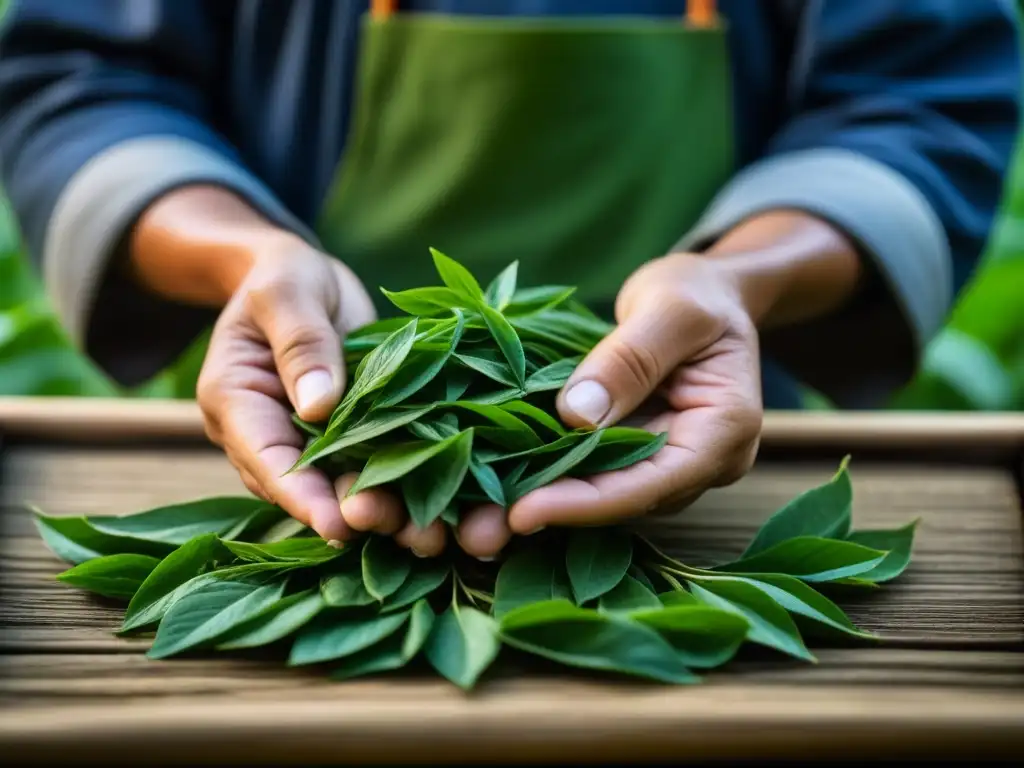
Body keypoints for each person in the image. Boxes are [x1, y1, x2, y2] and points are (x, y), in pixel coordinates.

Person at [0, 0, 1019, 560]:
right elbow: (85, 80)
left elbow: (918, 101)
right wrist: (250, 258)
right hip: (302, 439)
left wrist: (735, 281)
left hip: (706, 456)